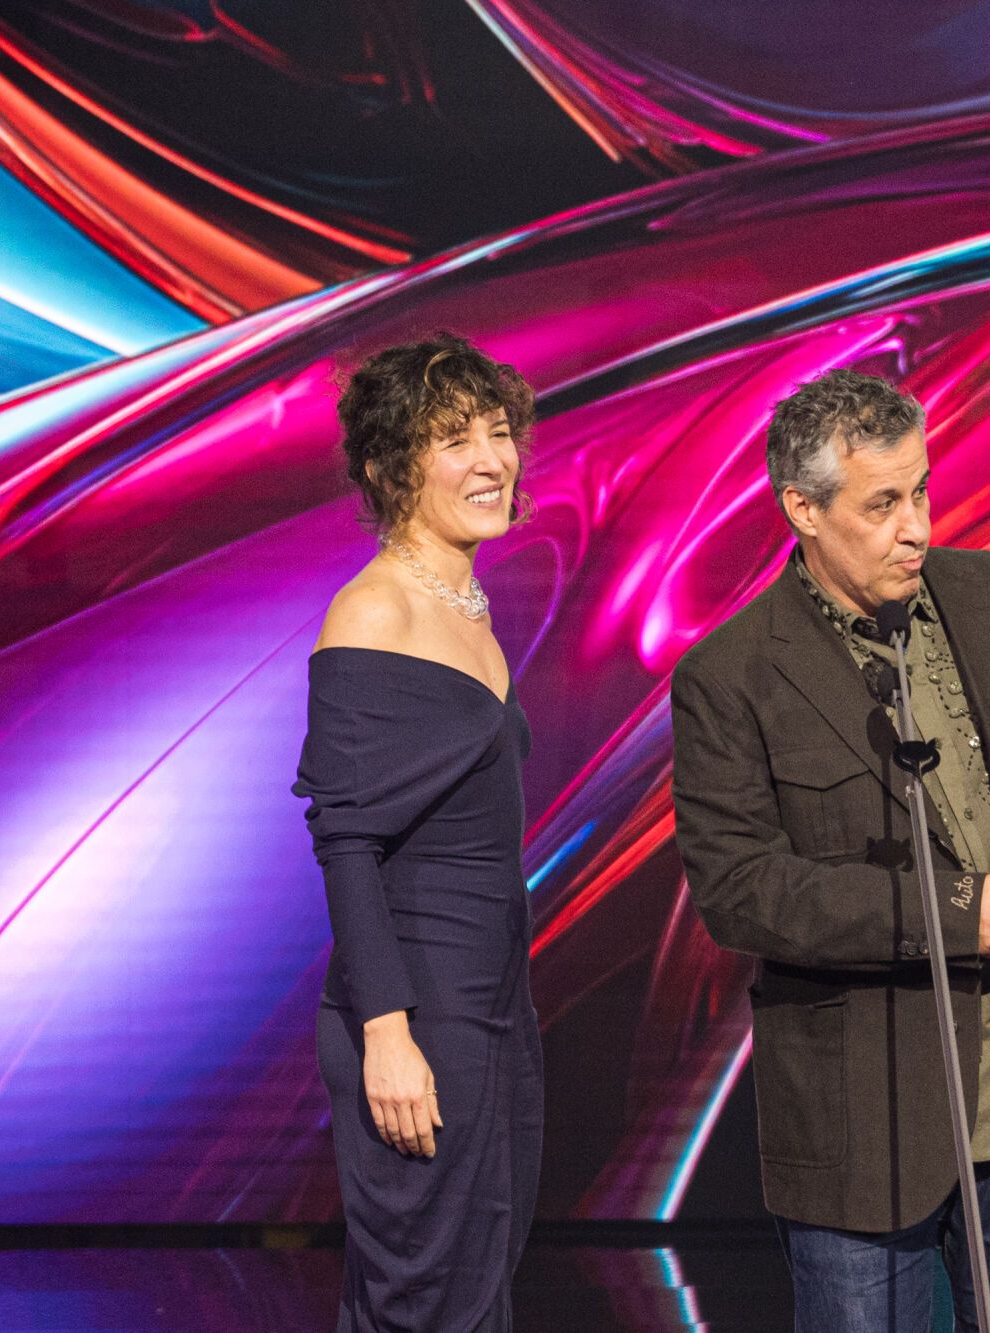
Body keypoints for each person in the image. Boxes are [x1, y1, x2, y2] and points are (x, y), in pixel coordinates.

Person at [669, 369, 990, 1333]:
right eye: (883, 503)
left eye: (921, 490)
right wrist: (959, 911)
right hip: (864, 1117)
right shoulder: (731, 675)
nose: (917, 526)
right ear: (801, 508)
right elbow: (742, 889)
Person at [291, 333, 542, 1332]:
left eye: (498, 431)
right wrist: (387, 1038)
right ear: (391, 466)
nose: (492, 459)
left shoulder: (464, 605)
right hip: (420, 1015)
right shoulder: (373, 612)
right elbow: (346, 841)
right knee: (421, 1302)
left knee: (471, 1293)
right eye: (454, 440)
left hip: (487, 1002)